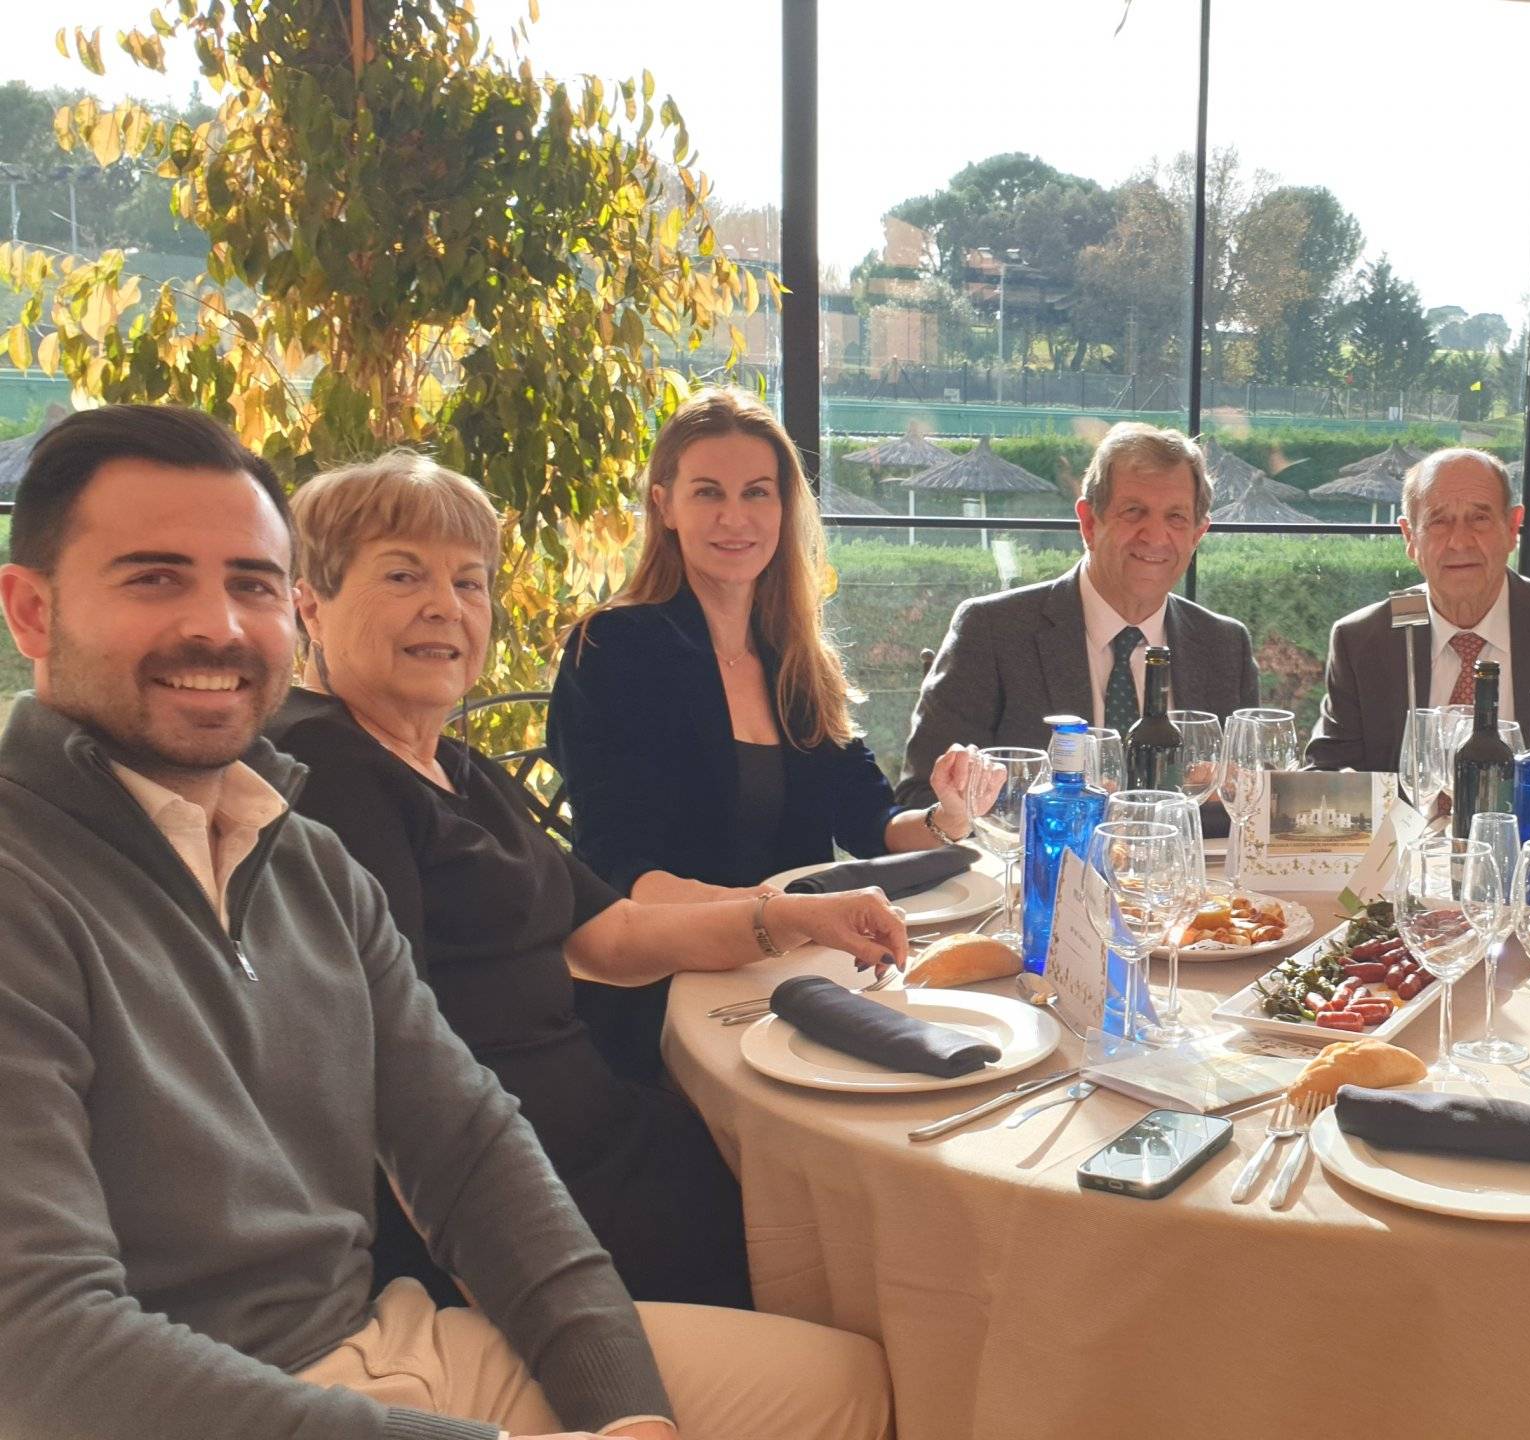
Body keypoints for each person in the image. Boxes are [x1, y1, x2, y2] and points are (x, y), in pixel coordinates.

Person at [0, 403, 889, 1440]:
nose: (220, 626)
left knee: (850, 1390)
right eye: (154, 577)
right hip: (192, 1393)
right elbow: (40, 1347)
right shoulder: (33, 879)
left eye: (248, 584)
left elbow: (469, 1148)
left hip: (385, 1334)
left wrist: (628, 1413)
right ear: (30, 612)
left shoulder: (297, 855)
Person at [273, 451, 927, 1310]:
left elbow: (612, 937)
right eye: (404, 576)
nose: (446, 607)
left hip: (600, 1136)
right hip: (528, 1196)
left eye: (470, 583)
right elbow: (395, 1079)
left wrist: (796, 916)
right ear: (309, 605)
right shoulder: (329, 773)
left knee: (840, 1207)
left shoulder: (453, 769)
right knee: (861, 1241)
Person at [548, 388, 987, 1072]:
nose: (735, 518)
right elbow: (620, 873)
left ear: (784, 509)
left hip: (801, 974)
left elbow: (871, 821)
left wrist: (947, 817)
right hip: (672, 992)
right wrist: (785, 918)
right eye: (707, 493)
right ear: (664, 505)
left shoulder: (795, 655)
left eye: (757, 493)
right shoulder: (611, 650)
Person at [898, 421, 1259, 806]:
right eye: (1133, 511)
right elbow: (922, 799)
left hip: (1184, 865)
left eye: (1176, 518)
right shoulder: (993, 632)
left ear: (1197, 535)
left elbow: (1250, 802)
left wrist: (1236, 790)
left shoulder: (1223, 645)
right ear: (1088, 523)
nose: (1155, 536)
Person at [1305, 446, 1530, 771]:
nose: (1460, 542)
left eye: (1479, 518)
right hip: (1404, 829)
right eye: (1439, 522)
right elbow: (1329, 773)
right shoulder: (1363, 638)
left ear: (1512, 527)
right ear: (1409, 537)